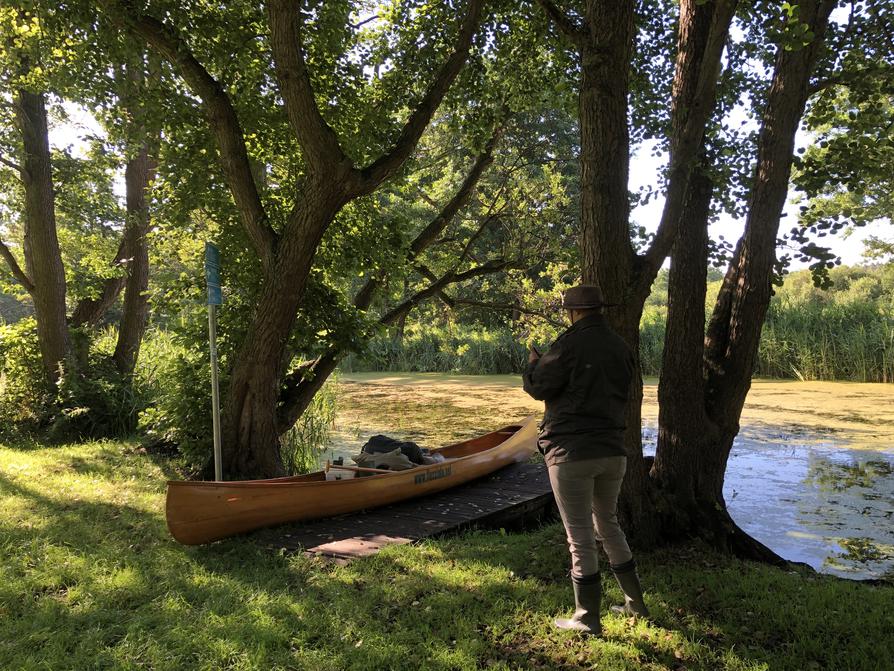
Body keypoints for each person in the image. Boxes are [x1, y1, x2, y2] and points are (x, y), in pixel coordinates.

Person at [522, 284, 648, 636]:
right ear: (599, 309)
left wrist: (533, 365)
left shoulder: (567, 345)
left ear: (573, 312)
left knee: (579, 536)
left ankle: (586, 618)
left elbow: (538, 388)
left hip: (572, 452)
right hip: (612, 450)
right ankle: (635, 604)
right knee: (608, 524)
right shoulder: (621, 346)